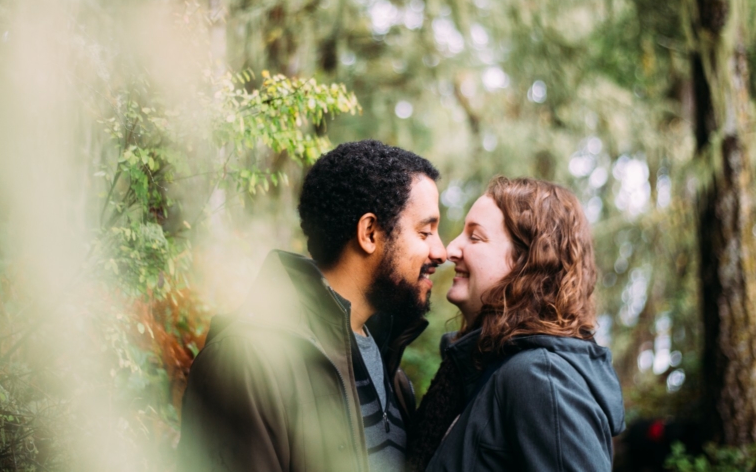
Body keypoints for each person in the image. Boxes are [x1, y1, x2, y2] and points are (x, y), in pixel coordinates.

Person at [179, 139, 447, 472]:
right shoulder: (245, 362)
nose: (442, 252)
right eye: (425, 232)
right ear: (369, 233)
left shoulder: (393, 375)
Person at [407, 176, 625, 472]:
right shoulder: (480, 367)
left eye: (475, 237)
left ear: (528, 262)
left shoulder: (539, 378)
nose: (451, 249)